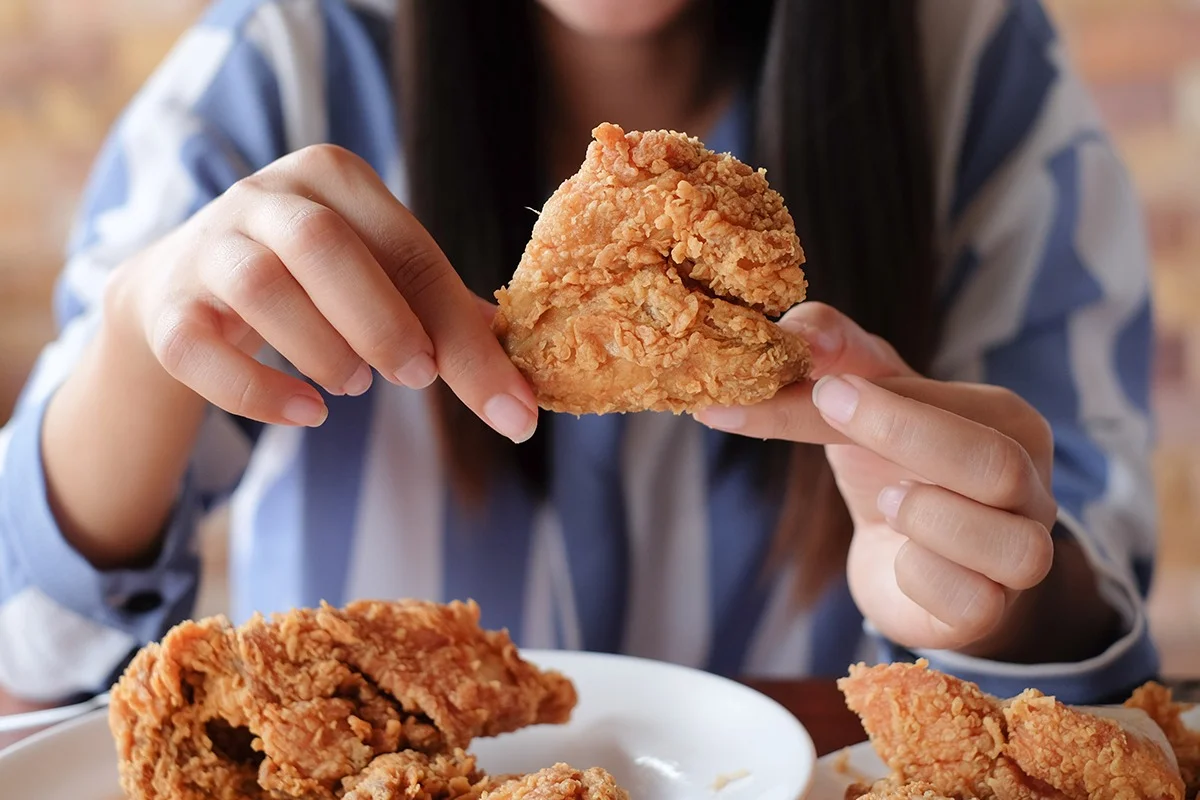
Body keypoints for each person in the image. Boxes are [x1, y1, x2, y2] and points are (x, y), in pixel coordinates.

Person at [0, 0, 1158, 709]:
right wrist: (141, 344)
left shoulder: (972, 66)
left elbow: (1102, 658)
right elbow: (25, 656)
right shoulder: (278, 66)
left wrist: (998, 600)